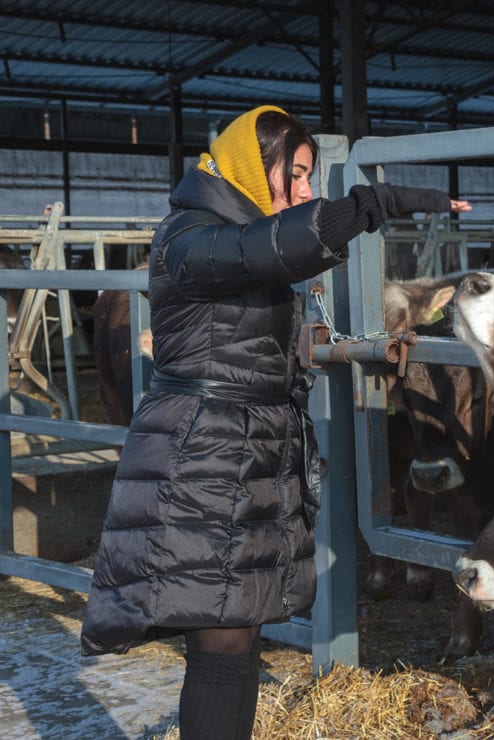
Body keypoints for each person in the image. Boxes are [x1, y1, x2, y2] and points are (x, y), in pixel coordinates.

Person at [79, 105, 469, 739]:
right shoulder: (190, 236)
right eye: (300, 174)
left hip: (243, 452)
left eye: (313, 178)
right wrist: (373, 203)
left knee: (235, 641)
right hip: (203, 456)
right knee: (223, 646)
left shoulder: (232, 239)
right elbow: (271, 247)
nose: (308, 190)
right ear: (255, 172)